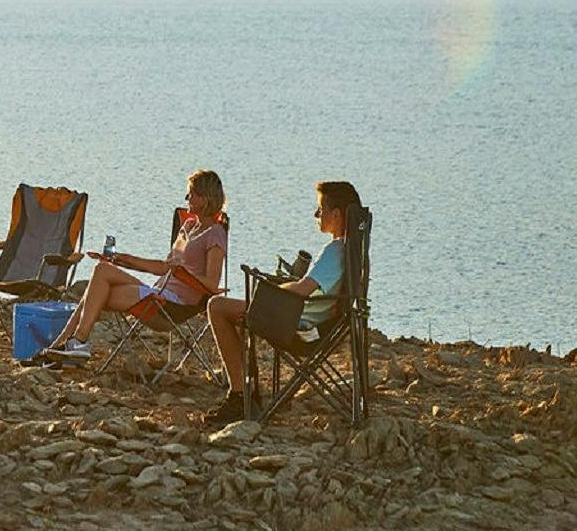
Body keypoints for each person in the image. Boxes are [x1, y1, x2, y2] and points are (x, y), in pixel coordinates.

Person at [202, 179, 363, 426]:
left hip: (297, 324)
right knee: (238, 310)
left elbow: (302, 290)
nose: (316, 215)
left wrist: (271, 292)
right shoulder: (351, 250)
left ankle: (240, 395)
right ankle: (246, 390)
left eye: (321, 209)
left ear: (337, 214)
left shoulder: (335, 252)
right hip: (312, 320)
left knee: (217, 306)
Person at [36, 169, 228, 361]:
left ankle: (70, 344)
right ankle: (66, 345)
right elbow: (163, 267)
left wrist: (182, 272)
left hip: (173, 305)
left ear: (205, 198)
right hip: (158, 294)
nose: (187, 198)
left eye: (191, 194)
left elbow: (211, 284)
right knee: (102, 270)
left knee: (96, 292)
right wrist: (122, 259)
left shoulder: (215, 233)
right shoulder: (188, 226)